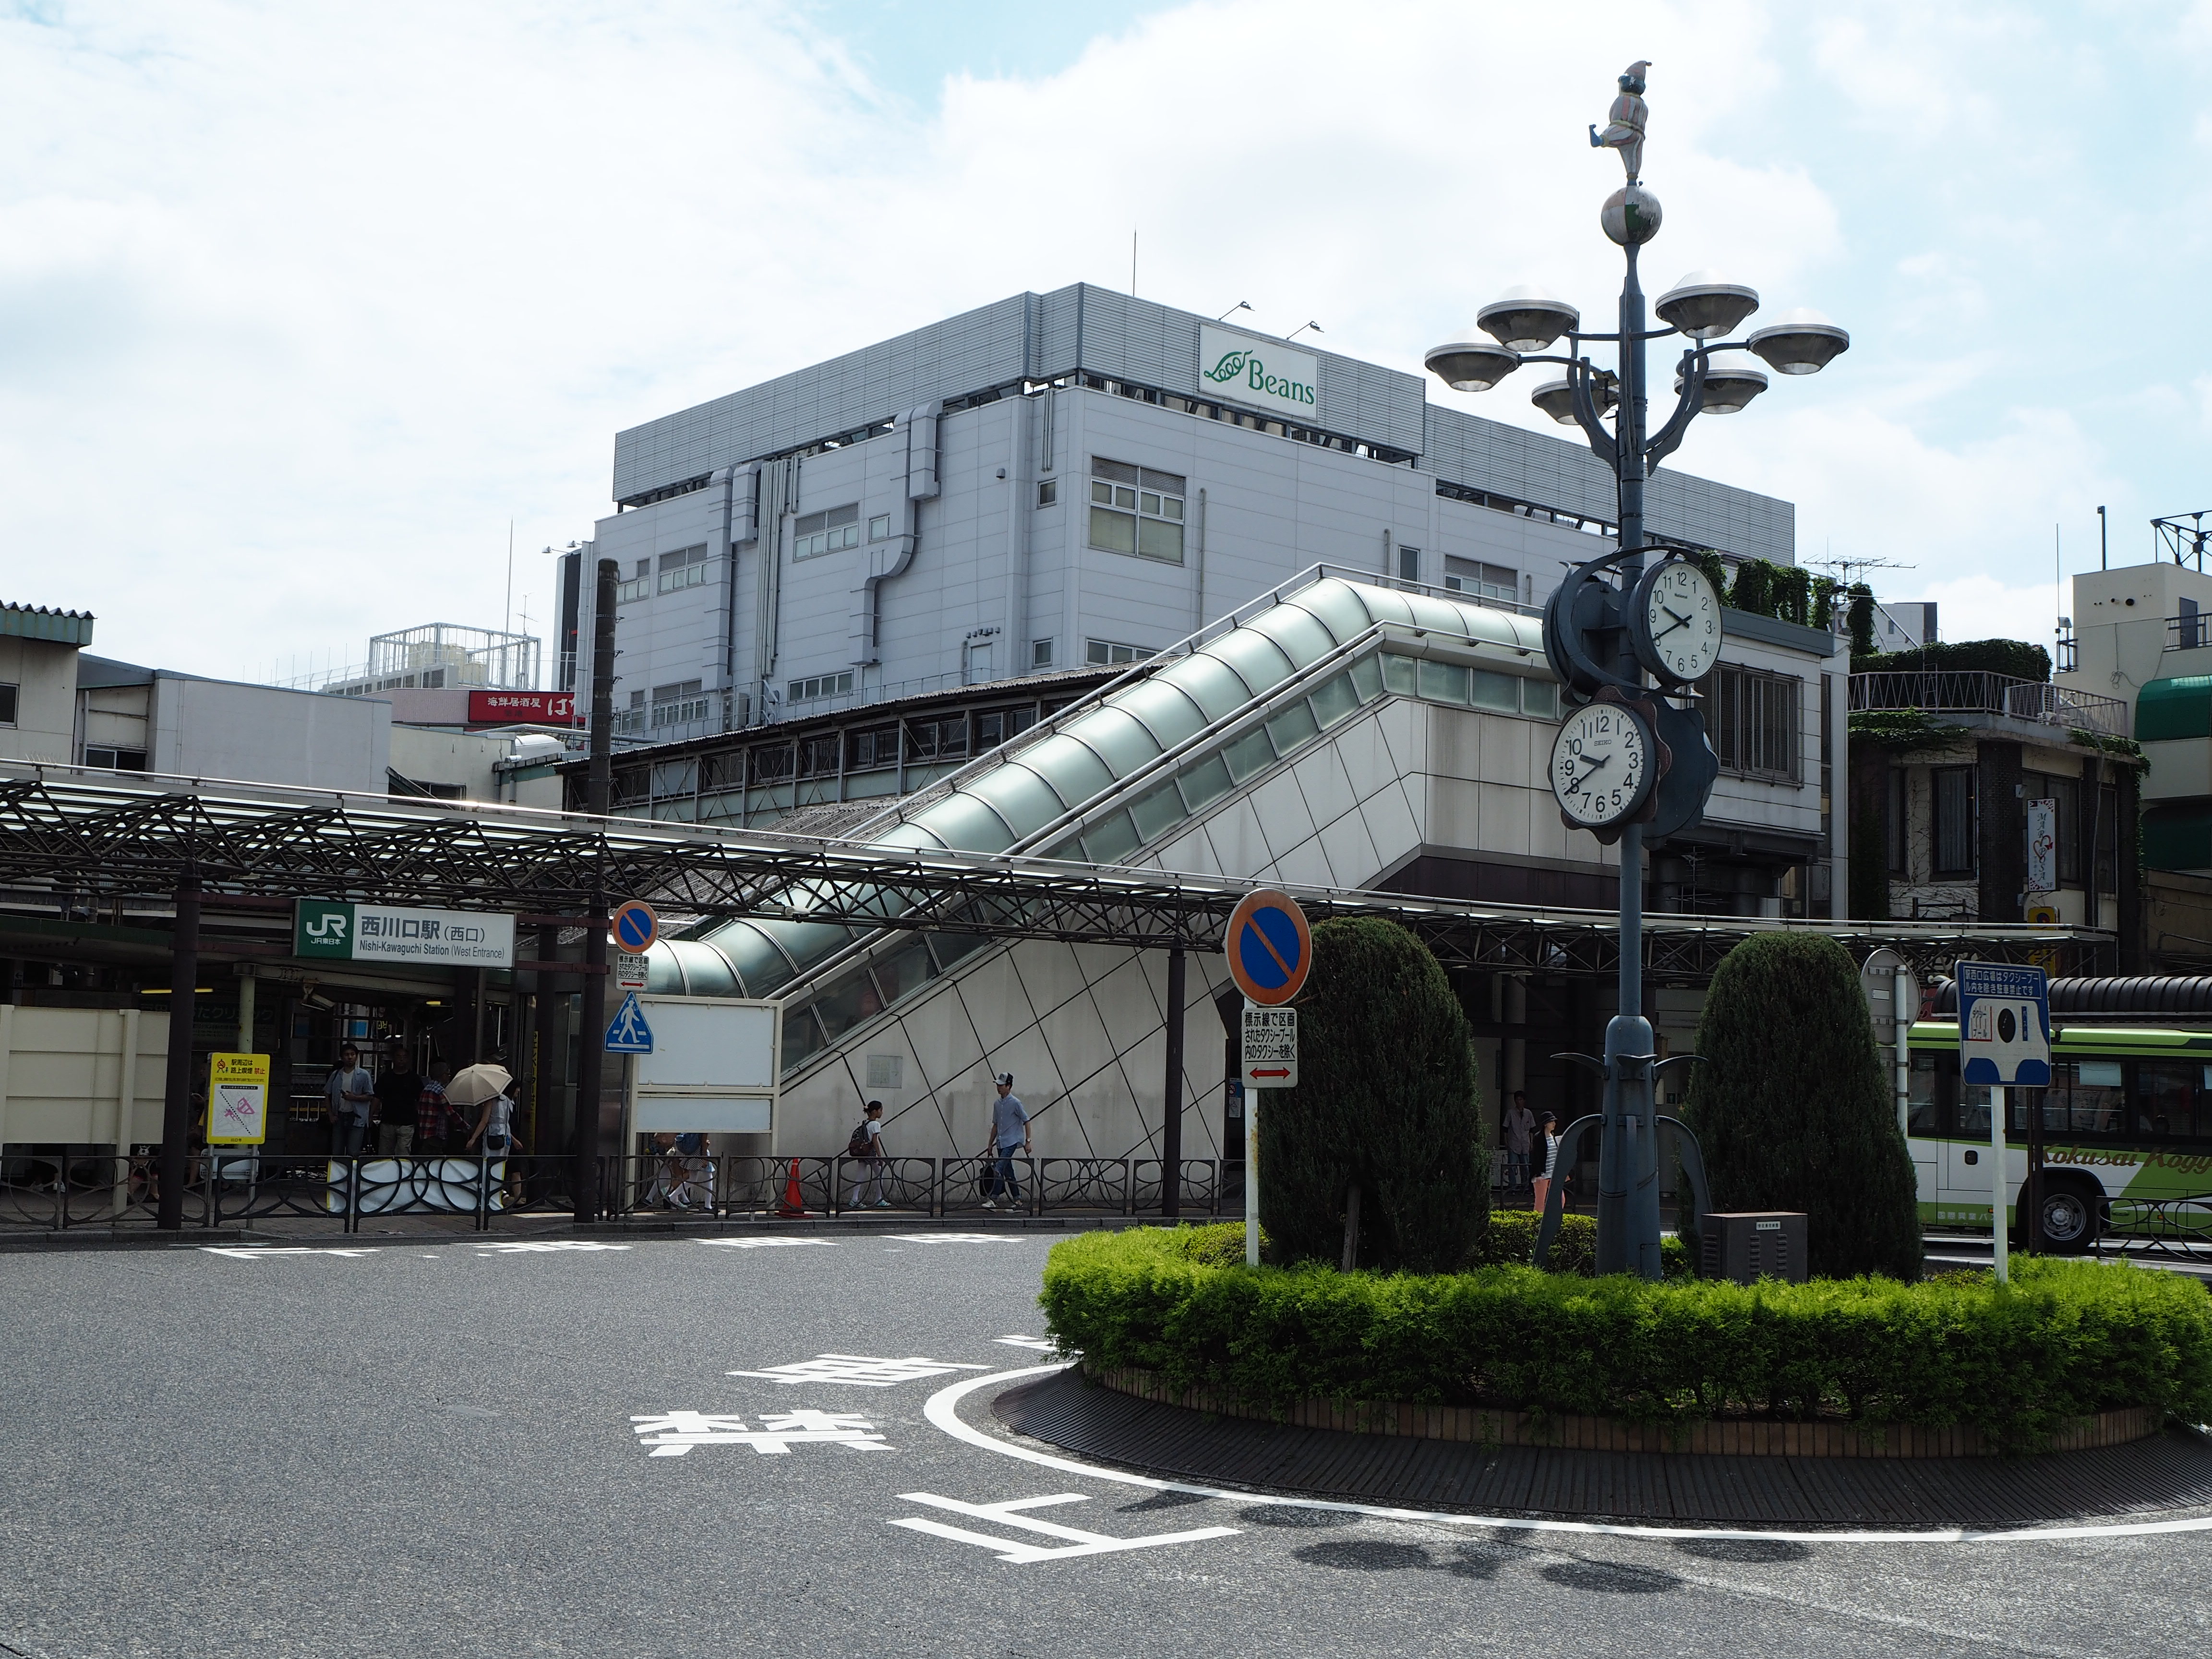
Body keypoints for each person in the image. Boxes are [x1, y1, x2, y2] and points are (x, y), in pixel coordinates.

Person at [980, 1073, 1029, 1211]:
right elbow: (995, 1124)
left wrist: (1028, 1141)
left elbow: (1027, 1120)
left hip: (1012, 1141)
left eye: (1001, 1085)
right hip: (1001, 1142)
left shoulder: (1016, 1103)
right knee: (1009, 1173)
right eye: (998, 1085)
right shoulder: (997, 1104)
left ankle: (993, 1199)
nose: (999, 1088)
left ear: (1009, 1086)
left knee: (998, 1169)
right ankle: (1018, 1200)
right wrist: (990, 1144)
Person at [373, 1044, 423, 1157]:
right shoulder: (386, 1077)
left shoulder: (414, 1079)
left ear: (408, 1059)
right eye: (398, 1056)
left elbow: (420, 1100)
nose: (401, 1059)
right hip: (388, 1121)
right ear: (393, 1058)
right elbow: (377, 1097)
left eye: (404, 1057)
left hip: (407, 1122)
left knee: (403, 1154)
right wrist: (371, 1115)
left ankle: (402, 1175)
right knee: (385, 1154)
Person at [325, 1045, 374, 1156]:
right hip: (339, 1116)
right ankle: (339, 1173)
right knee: (337, 1151)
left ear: (357, 1057)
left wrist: (354, 1098)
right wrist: (331, 1115)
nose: (350, 1057)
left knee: (353, 1151)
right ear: (342, 1057)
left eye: (353, 1054)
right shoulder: (336, 1075)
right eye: (347, 1055)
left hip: (356, 1117)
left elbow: (370, 1096)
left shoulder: (364, 1075)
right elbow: (327, 1094)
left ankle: (352, 1172)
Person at [847, 1100, 889, 1209]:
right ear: (875, 1111)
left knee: (860, 1175)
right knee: (880, 1174)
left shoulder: (865, 1122)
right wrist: (879, 1156)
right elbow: (875, 1141)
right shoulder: (876, 1124)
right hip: (870, 1152)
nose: (882, 1112)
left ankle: (854, 1199)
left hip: (862, 1151)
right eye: (881, 1110)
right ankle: (879, 1199)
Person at [415, 1061, 453, 1155]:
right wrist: (466, 1126)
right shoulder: (440, 1091)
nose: (449, 1077)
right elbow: (450, 1112)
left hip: (424, 1132)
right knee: (435, 1162)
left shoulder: (426, 1089)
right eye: (448, 1074)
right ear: (443, 1075)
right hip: (436, 1133)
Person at [1531, 1110, 1562, 1221]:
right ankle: (1536, 1223)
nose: (1554, 1123)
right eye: (1551, 1121)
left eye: (1554, 1121)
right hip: (1543, 1175)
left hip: (1553, 1173)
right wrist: (1538, 1174)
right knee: (1540, 1202)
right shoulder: (1538, 1137)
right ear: (1545, 1124)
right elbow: (1536, 1157)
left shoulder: (1554, 1137)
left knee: (1561, 1199)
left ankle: (1552, 1220)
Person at [1503, 1092, 1535, 1193]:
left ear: (1524, 1101)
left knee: (1525, 1167)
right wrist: (1506, 1141)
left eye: (1521, 1100)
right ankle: (1513, 1187)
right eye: (1517, 1100)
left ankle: (1526, 1187)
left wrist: (1531, 1142)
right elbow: (1505, 1128)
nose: (1519, 1102)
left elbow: (1531, 1130)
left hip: (1525, 1143)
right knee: (1512, 1165)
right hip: (1514, 1143)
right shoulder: (1510, 1113)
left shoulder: (1528, 1113)